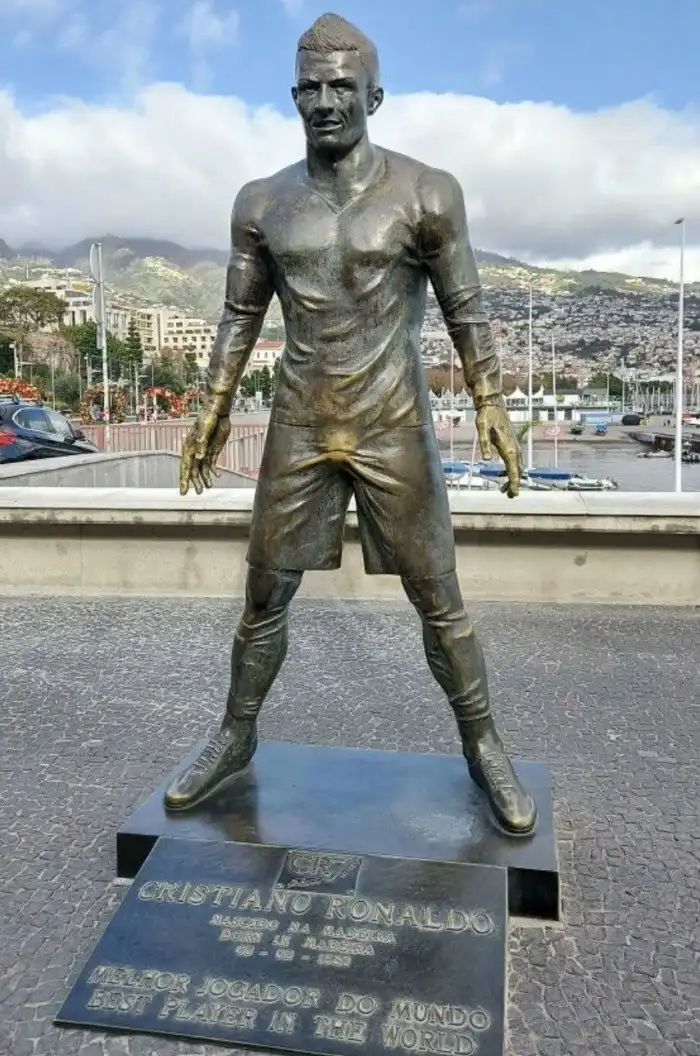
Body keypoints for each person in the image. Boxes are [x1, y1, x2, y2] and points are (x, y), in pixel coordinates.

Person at [168, 12, 536, 835]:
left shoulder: (427, 192)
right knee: (264, 595)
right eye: (311, 87)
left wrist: (490, 402)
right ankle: (235, 735)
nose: (326, 101)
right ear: (293, 95)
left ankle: (484, 746)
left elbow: (468, 308)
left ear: (375, 95)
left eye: (342, 86)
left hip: (392, 421)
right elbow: (238, 316)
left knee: (438, 598)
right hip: (300, 422)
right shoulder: (261, 203)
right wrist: (213, 408)